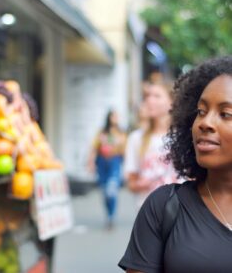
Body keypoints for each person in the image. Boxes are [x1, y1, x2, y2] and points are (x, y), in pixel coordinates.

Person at [118, 56, 232, 272]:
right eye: (201, 111)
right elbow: (131, 180)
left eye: (225, 114)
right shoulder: (164, 206)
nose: (205, 123)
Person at [125, 79, 177, 208]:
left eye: (157, 96)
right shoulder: (136, 138)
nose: (150, 100)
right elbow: (131, 184)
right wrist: (142, 184)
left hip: (180, 214)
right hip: (148, 214)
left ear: (171, 102)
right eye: (147, 96)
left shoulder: (184, 137)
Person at [88, 110, 126, 229]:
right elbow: (94, 148)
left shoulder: (121, 133)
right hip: (102, 163)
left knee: (111, 190)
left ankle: (112, 216)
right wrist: (91, 162)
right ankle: (108, 214)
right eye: (113, 116)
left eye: (117, 116)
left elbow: (125, 150)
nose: (115, 118)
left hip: (114, 162)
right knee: (104, 192)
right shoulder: (102, 132)